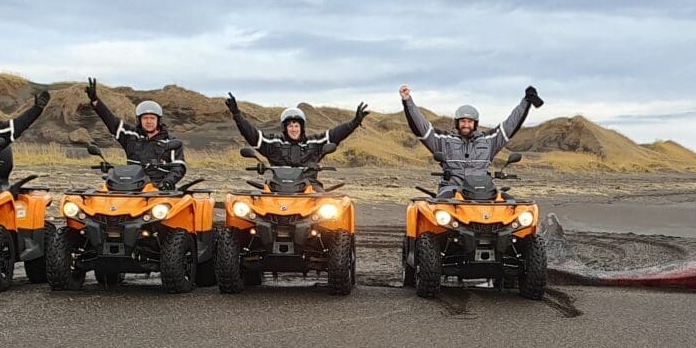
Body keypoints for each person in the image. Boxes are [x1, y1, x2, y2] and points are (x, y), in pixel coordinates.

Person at [400, 84, 542, 193]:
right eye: (463, 121)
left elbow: (510, 125)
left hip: (482, 191)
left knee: (508, 205)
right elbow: (422, 128)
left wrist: (526, 102)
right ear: (457, 123)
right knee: (436, 212)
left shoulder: (489, 140)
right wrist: (407, 100)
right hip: (451, 190)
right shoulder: (443, 140)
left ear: (475, 124)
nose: (466, 125)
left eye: (469, 122)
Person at [226, 92, 370, 178]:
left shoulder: (314, 142)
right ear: (285, 128)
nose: (294, 129)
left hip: (309, 187)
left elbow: (335, 135)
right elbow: (252, 135)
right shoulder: (273, 143)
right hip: (277, 188)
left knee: (333, 213)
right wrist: (237, 115)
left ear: (302, 128)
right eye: (290, 126)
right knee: (250, 211)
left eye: (296, 126)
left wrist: (354, 122)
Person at [84, 78, 186, 186]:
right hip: (131, 185)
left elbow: (179, 167)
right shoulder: (130, 135)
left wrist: (167, 182)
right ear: (139, 120)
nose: (149, 121)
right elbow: (111, 122)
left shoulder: (170, 141)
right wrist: (95, 101)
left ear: (158, 120)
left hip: (157, 187)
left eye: (152, 118)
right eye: (145, 118)